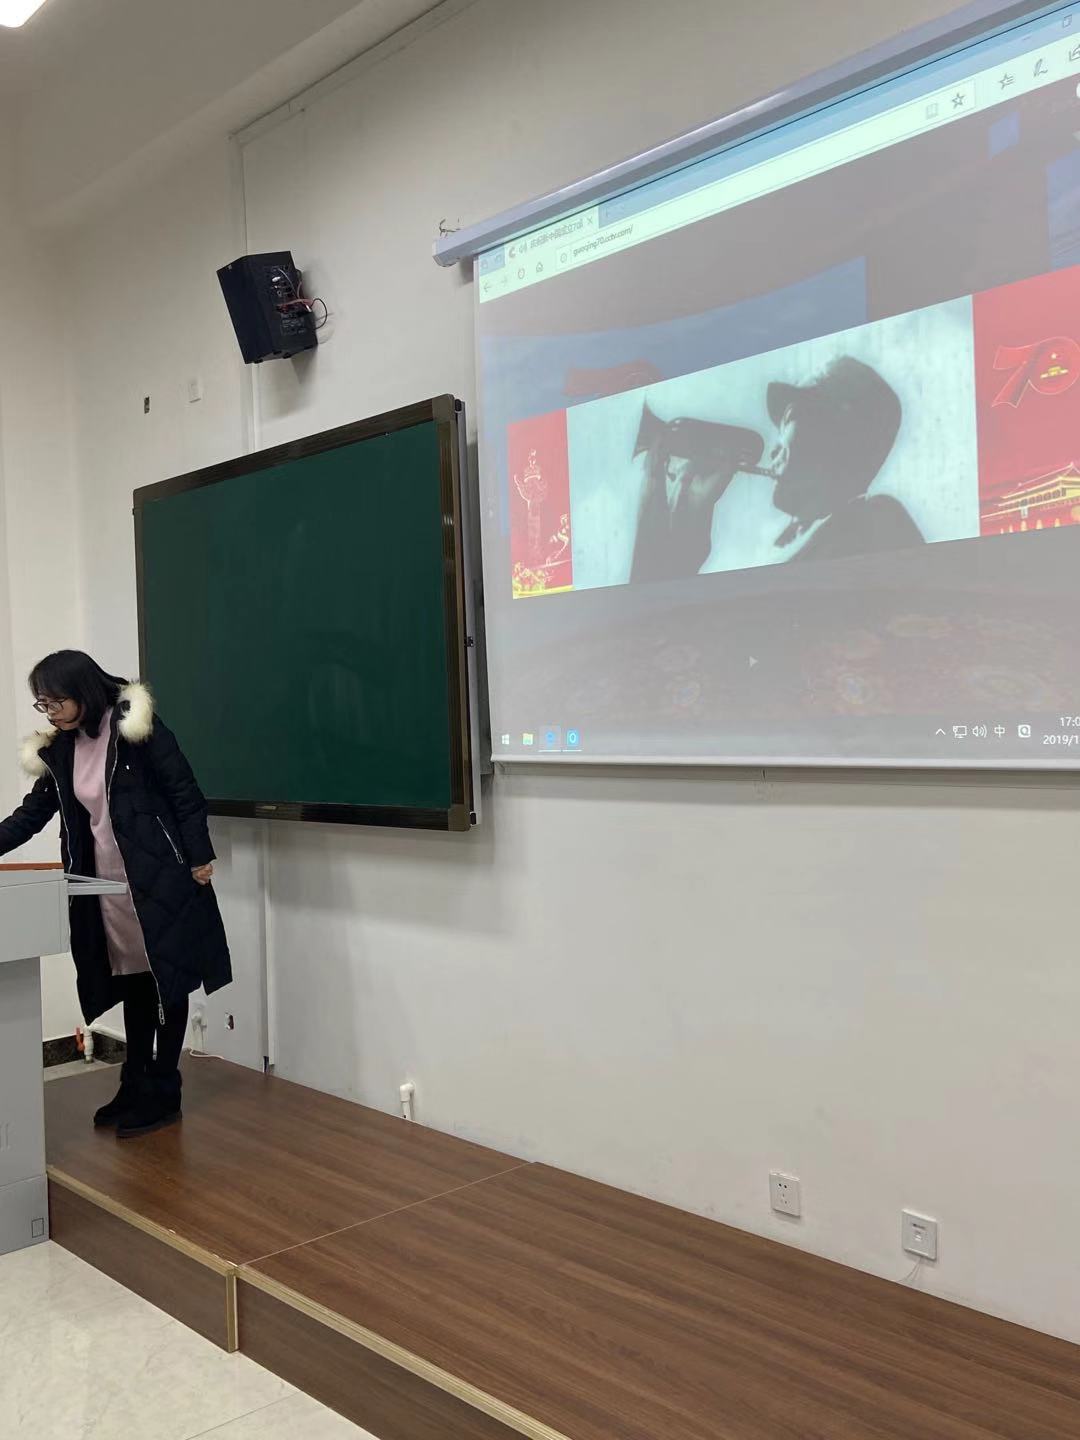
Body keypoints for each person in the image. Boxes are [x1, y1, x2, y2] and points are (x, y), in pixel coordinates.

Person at [0, 651, 231, 1138]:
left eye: (55, 702)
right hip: (103, 888)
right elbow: (31, 814)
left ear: (82, 691)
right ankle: (135, 1082)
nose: (50, 713)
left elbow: (184, 792)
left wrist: (198, 857)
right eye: (42, 705)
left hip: (159, 879)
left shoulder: (134, 727)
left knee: (167, 981)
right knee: (133, 984)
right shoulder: (61, 749)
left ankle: (164, 1091)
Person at [766, 355, 924, 560]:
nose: (774, 450)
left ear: (837, 436)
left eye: (789, 418)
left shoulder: (877, 525)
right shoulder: (783, 545)